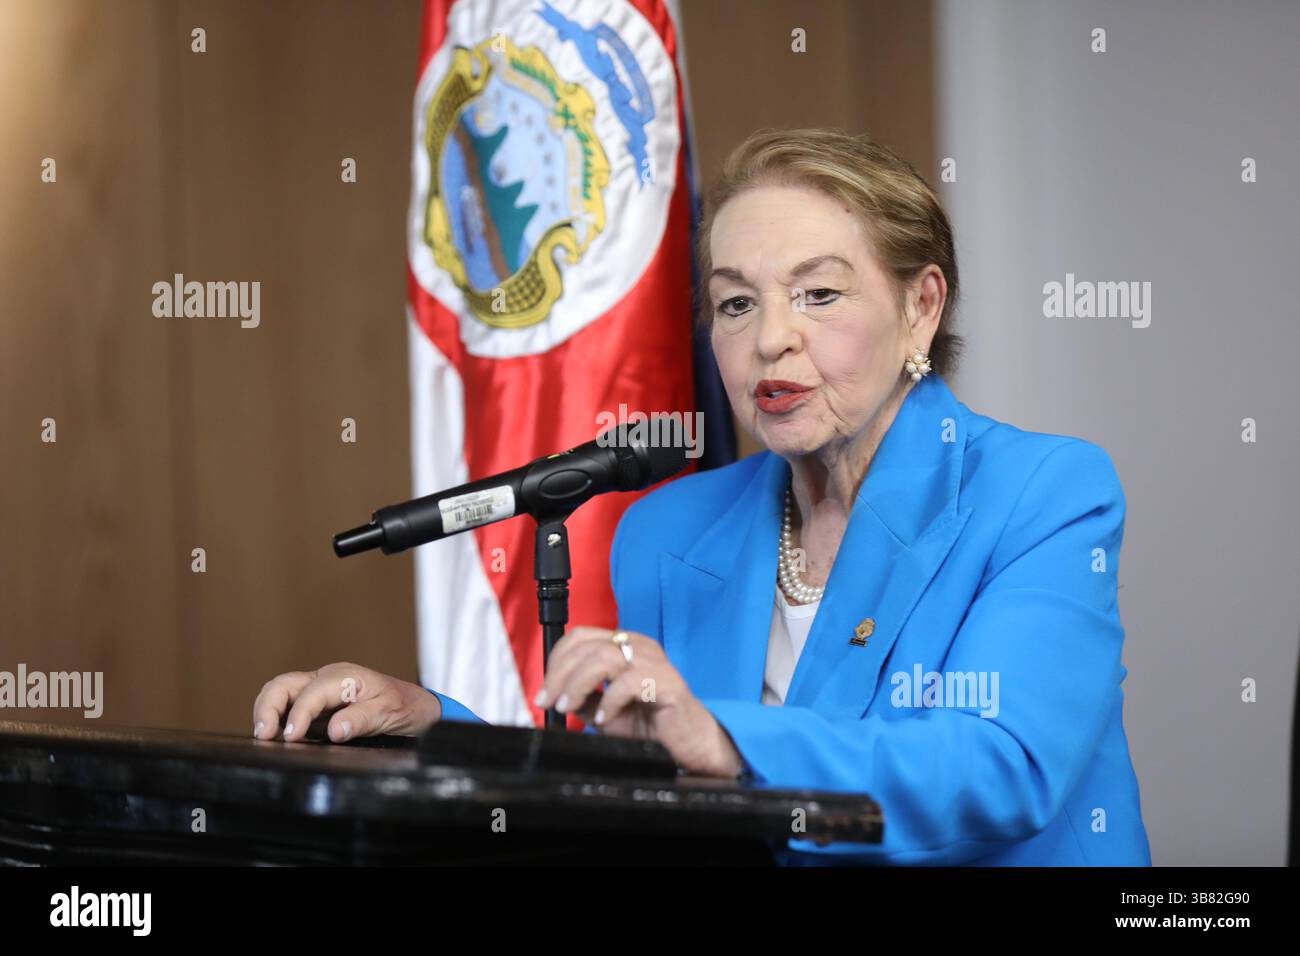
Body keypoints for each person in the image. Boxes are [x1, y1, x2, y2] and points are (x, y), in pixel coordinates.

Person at [253, 128, 1151, 865]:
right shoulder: (667, 528)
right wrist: (425, 727)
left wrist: (727, 742)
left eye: (819, 293)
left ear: (921, 306)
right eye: (735, 305)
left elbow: (1003, 766)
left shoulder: (1044, 494)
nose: (770, 340)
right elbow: (633, 788)